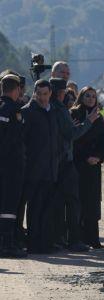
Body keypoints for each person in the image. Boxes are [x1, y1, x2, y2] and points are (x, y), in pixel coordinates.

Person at [50, 78, 99, 252]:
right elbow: (71, 134)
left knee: (58, 203)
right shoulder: (62, 110)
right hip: (65, 162)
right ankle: (74, 240)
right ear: (61, 93)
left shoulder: (49, 108)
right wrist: (89, 121)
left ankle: (58, 238)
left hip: (55, 162)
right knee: (72, 202)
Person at [22, 79, 59, 253]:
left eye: (46, 94)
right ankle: (34, 244)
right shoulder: (28, 112)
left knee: (47, 209)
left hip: (50, 169)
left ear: (50, 93)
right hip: (34, 170)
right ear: (35, 93)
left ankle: (45, 243)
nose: (43, 98)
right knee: (35, 208)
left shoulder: (52, 112)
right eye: (40, 94)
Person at [71, 87, 104, 249]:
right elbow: (75, 140)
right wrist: (86, 157)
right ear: (81, 97)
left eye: (93, 96)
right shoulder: (74, 113)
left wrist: (98, 157)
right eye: (87, 95)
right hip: (79, 164)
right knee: (79, 201)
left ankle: (93, 238)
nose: (91, 98)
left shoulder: (99, 115)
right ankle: (78, 238)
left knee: (93, 202)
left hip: (94, 166)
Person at [0, 74, 27, 258]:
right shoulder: (10, 109)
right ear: (16, 89)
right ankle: (7, 244)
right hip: (9, 167)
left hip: (7, 165)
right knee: (9, 206)